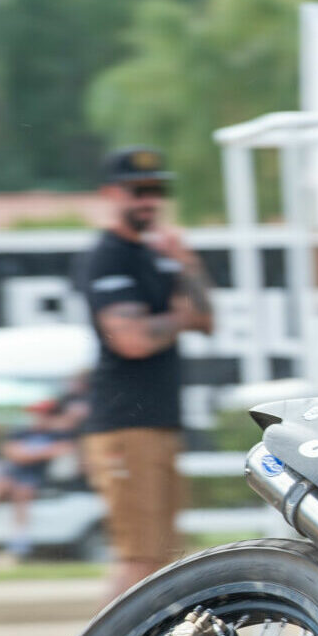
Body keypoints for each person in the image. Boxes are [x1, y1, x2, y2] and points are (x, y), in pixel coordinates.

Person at [74, 147, 214, 599]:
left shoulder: (157, 257)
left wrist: (188, 265)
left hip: (155, 423)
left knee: (163, 557)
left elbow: (207, 319)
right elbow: (131, 340)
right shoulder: (109, 257)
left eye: (156, 190)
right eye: (138, 191)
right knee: (139, 560)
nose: (148, 200)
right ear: (111, 194)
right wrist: (179, 316)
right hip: (124, 426)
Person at [0, 398, 78, 562]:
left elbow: (64, 450)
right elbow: (13, 453)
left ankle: (20, 539)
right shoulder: (22, 432)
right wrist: (42, 453)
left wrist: (29, 454)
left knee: (23, 491)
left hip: (38, 477)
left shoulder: (58, 434)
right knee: (0, 487)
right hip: (15, 473)